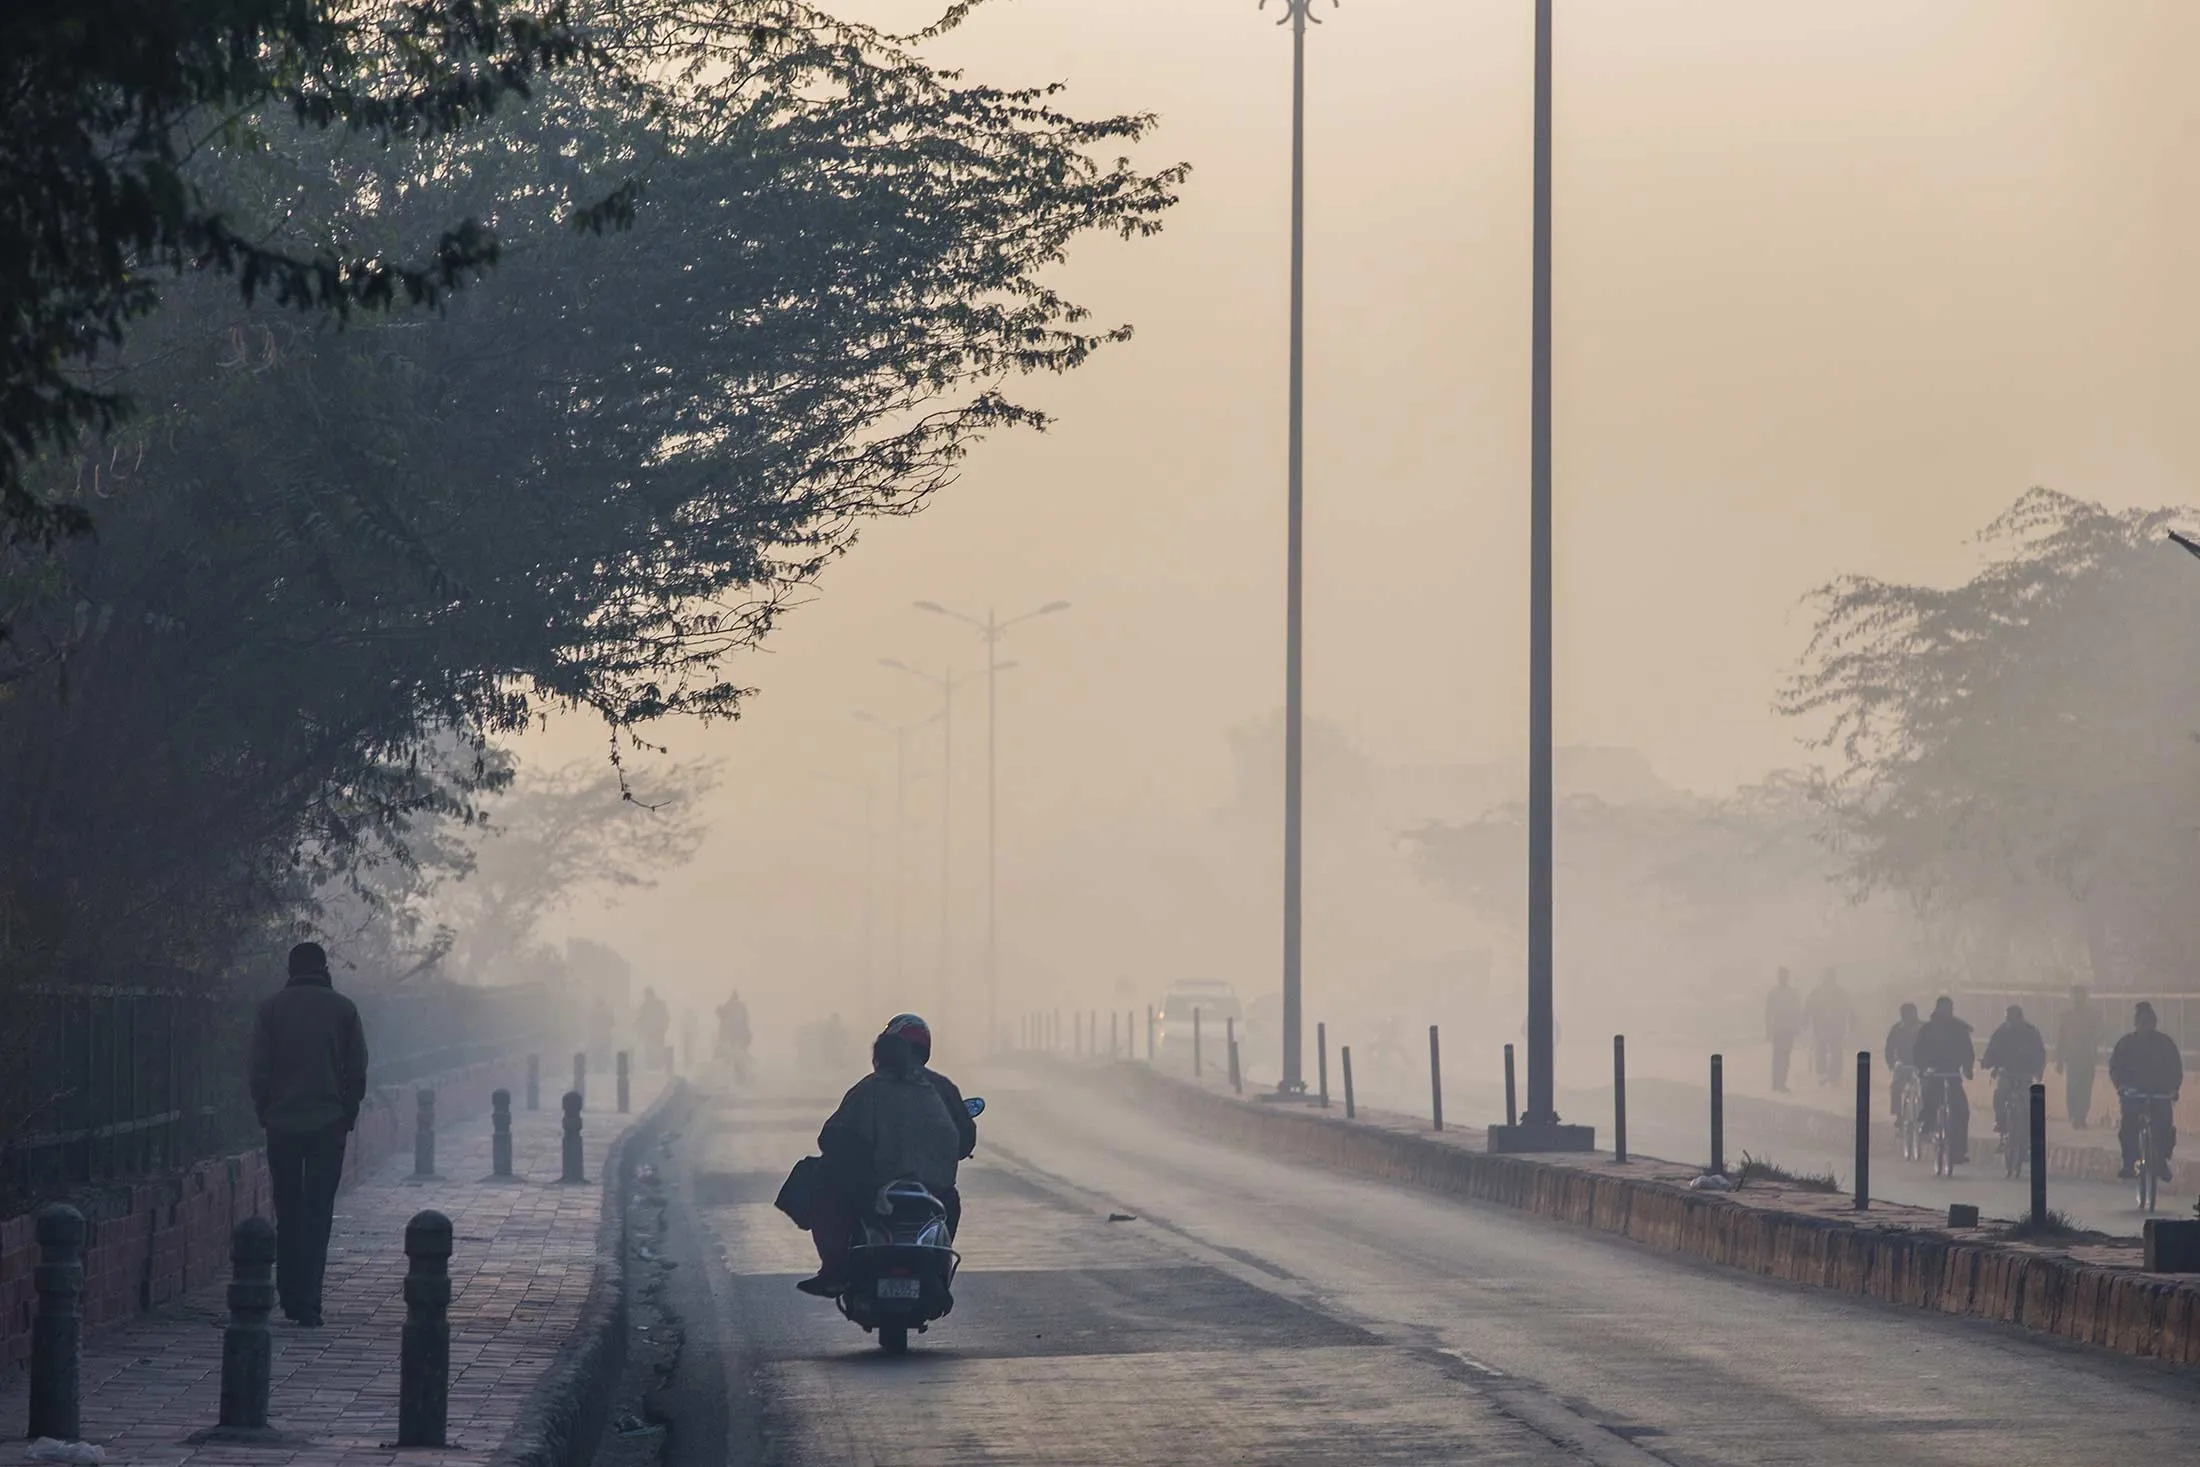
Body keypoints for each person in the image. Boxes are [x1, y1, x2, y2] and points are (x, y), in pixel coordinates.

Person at [248, 942, 369, 1328]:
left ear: (290, 968)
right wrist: (346, 1113)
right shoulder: (343, 1009)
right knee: (317, 1213)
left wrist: (265, 1111)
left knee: (288, 1209)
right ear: (324, 967)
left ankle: (289, 1293)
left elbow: (258, 1070)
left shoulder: (272, 1009)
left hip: (282, 1123)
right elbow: (357, 1070)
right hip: (327, 1123)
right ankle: (310, 1302)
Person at [797, 1029, 961, 1296]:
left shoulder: (868, 1089)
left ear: (877, 1060)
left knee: (823, 1184)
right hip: (933, 1186)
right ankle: (937, 1273)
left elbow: (830, 1137)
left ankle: (833, 1270)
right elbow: (954, 1138)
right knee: (950, 1204)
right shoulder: (931, 1090)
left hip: (879, 1186)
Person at [883, 1013, 978, 1191]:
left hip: (883, 1190)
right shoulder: (944, 1087)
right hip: (936, 1191)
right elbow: (966, 1139)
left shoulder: (870, 1086)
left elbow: (832, 1136)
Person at [2109, 1001, 2183, 1182]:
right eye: (2142, 1023)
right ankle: (2128, 1162)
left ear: (2154, 1023)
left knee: (2165, 1125)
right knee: (2129, 1124)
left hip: (2160, 1093)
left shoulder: (2165, 1044)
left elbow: (2175, 1069)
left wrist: (2174, 1089)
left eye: (2149, 1023)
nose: (2146, 1027)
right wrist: (2121, 1086)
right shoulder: (2126, 1044)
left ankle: (2162, 1161)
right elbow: (2115, 1067)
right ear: (2136, 1024)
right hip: (2133, 1094)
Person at [1910, 995, 1975, 1166]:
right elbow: (1918, 1051)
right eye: (1944, 1009)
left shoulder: (1960, 1029)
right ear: (1937, 1009)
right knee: (1929, 1095)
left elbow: (1968, 1051)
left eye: (1949, 1009)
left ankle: (1959, 1150)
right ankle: (1927, 1122)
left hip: (1953, 1074)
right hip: (1933, 1073)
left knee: (1962, 1110)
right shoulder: (1927, 1029)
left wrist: (1968, 1068)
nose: (1947, 1012)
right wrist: (1922, 1068)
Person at [1981, 1004, 2046, 1138]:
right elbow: (1992, 1050)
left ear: (2021, 1018)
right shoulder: (2001, 1032)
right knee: (2000, 1094)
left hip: (2025, 1074)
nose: (2010, 1022)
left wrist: (2039, 1070)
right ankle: (2000, 1122)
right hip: (2006, 1073)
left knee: (2028, 1103)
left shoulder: (2031, 1033)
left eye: (2013, 1019)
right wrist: (1987, 1062)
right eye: (2008, 1019)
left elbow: (2040, 1053)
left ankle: (2028, 1132)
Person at [2055, 985, 2103, 1130]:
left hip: (2087, 1058)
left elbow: (2100, 1034)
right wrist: (2059, 1060)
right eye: (2076, 995)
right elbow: (2061, 1039)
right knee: (2073, 1088)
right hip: (2073, 1058)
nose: (2078, 998)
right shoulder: (2066, 1017)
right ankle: (2075, 1115)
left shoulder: (2093, 1016)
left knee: (2085, 1089)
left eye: (2081, 995)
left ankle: (2081, 1116)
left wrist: (2095, 1047)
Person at [1804, 969, 1853, 1087]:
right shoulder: (1817, 993)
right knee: (1822, 1050)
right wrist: (1805, 1021)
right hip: (1822, 1027)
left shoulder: (1840, 993)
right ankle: (1823, 1073)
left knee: (1835, 1052)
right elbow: (1808, 1008)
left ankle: (1833, 1075)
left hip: (1835, 1027)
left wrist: (1851, 1023)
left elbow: (1849, 1009)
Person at [1765, 969, 1803, 1093]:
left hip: (1788, 1029)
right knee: (1778, 1057)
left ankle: (1781, 1083)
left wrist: (1797, 1026)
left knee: (1785, 1056)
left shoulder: (1792, 993)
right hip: (1778, 1029)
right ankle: (1776, 1083)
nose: (1783, 978)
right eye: (1781, 976)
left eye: (1785, 976)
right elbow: (1768, 1013)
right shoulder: (1774, 993)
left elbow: (1797, 1011)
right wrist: (1768, 1029)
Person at [1883, 1002, 1922, 1120]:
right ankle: (1899, 1115)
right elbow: (1889, 1048)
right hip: (1903, 1064)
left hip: (1920, 1065)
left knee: (1927, 1089)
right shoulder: (1897, 1029)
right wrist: (1893, 1063)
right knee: (1896, 1087)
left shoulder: (1924, 1028)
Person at [717, 989, 753, 1081]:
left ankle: (741, 1076)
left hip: (735, 1035)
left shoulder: (730, 1005)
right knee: (738, 1055)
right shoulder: (740, 1006)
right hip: (739, 1035)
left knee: (736, 1055)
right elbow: (745, 1020)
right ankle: (741, 1076)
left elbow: (724, 1018)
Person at [636, 986, 670, 1071]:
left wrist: (664, 1028)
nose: (646, 997)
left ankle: (658, 1066)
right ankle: (651, 1066)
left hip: (658, 1031)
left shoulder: (659, 1004)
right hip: (650, 1032)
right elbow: (641, 1018)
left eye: (647, 994)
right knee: (650, 1049)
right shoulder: (645, 1006)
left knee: (658, 1049)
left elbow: (666, 1017)